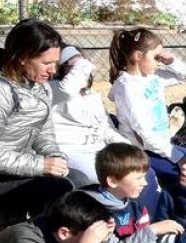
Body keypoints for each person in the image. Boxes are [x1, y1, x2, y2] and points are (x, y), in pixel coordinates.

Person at [0, 18, 75, 214]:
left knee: (77, 180)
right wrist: (40, 165)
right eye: (46, 63)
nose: (53, 70)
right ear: (22, 57)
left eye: (55, 62)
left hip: (7, 172)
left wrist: (55, 157)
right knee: (56, 190)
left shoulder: (40, 87)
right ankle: (34, 242)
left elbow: (44, 136)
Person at [107, 27, 186, 204]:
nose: (159, 62)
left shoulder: (153, 77)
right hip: (143, 151)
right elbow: (144, 134)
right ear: (138, 56)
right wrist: (177, 157)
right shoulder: (127, 87)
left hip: (162, 146)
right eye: (156, 57)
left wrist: (172, 61)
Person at [49, 45, 130, 187]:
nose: (83, 72)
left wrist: (126, 147)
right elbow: (67, 89)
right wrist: (82, 63)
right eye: (75, 67)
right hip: (72, 152)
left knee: (139, 169)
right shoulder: (53, 89)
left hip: (98, 149)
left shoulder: (92, 96)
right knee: (110, 178)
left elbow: (106, 127)